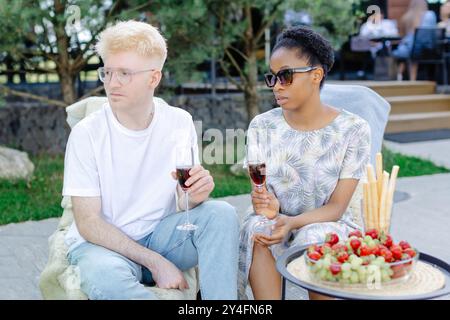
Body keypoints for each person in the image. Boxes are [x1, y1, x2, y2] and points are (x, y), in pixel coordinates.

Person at [63, 20, 239, 300]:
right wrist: (155, 262)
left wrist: (195, 196)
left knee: (222, 214)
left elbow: (183, 202)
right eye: (106, 72)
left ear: (153, 78)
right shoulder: (88, 134)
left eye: (124, 73)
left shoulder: (179, 123)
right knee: (107, 278)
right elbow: (88, 223)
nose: (111, 83)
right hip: (103, 247)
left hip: (162, 236)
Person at [238, 26, 371, 300]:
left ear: (316, 75)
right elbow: (263, 197)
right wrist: (269, 207)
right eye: (272, 77)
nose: (276, 86)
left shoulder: (353, 129)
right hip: (279, 222)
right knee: (257, 229)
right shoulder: (262, 126)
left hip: (329, 223)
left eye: (285, 76)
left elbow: (336, 208)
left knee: (314, 237)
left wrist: (293, 222)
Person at [392, 0, 437, 80]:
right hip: (427, 49)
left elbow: (402, 36)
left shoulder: (406, 17)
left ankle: (400, 76)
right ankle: (412, 79)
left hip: (408, 49)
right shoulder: (429, 15)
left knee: (402, 53)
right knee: (411, 53)